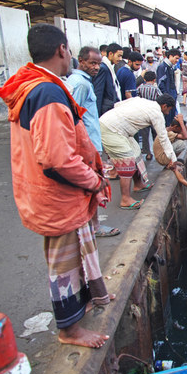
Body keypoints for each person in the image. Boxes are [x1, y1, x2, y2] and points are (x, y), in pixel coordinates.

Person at [0, 24, 113, 349]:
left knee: (78, 249)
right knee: (64, 261)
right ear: (62, 49)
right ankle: (69, 330)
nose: (70, 54)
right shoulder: (46, 92)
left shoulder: (35, 86)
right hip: (55, 197)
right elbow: (57, 159)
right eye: (70, 49)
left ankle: (93, 298)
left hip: (51, 193)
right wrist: (94, 181)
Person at [66, 46, 120, 238]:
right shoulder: (80, 84)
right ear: (81, 61)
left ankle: (92, 224)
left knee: (93, 186)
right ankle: (93, 226)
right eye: (92, 63)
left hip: (90, 143)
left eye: (98, 63)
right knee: (91, 187)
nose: (96, 67)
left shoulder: (82, 82)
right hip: (86, 144)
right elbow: (73, 117)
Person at [99, 94, 177, 209]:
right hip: (111, 130)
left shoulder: (141, 101)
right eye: (169, 110)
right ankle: (125, 199)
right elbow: (163, 137)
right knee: (127, 162)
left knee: (136, 153)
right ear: (165, 106)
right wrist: (173, 159)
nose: (168, 113)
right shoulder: (157, 114)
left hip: (114, 127)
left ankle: (139, 184)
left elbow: (118, 105)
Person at [137, 71, 163, 160]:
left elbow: (137, 98)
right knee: (155, 134)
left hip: (143, 114)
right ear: (154, 79)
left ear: (144, 79)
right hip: (153, 113)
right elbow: (161, 98)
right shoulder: (155, 89)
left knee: (145, 135)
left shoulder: (140, 88)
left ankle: (147, 153)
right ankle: (157, 152)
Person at [93, 43, 123, 116]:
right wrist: (97, 115)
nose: (120, 59)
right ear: (110, 54)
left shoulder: (110, 67)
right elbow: (98, 93)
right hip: (106, 111)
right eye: (118, 56)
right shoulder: (104, 69)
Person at [157, 48, 180, 126]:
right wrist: (166, 96)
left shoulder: (170, 67)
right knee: (167, 119)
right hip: (168, 98)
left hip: (172, 96)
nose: (177, 60)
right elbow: (160, 83)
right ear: (170, 56)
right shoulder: (163, 67)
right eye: (176, 58)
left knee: (171, 118)